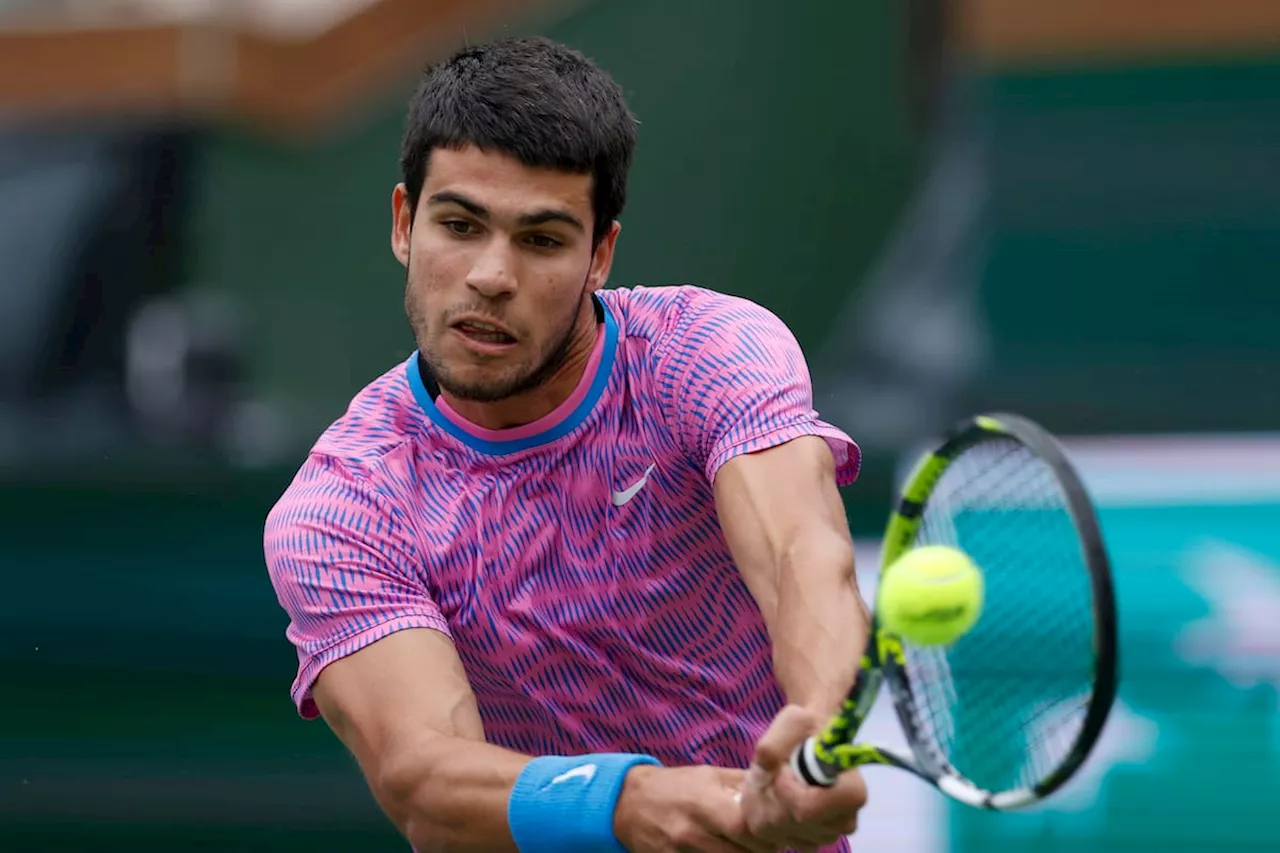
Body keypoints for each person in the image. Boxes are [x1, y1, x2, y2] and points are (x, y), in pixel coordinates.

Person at [264, 35, 870, 853]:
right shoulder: (345, 506)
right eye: (459, 223)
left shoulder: (707, 351)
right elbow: (424, 777)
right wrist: (630, 802)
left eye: (542, 239)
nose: (491, 275)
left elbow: (802, 553)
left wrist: (817, 736)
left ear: (600, 255)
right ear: (404, 222)